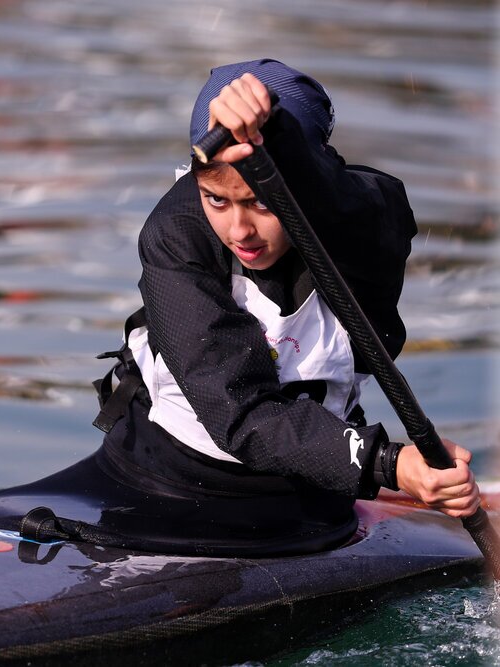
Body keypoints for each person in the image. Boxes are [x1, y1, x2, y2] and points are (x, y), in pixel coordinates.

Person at [95, 58, 479, 524]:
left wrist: (273, 130)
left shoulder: (370, 217)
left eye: (261, 202)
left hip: (319, 498)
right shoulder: (174, 235)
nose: (239, 231)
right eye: (217, 199)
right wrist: (391, 464)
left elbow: (337, 199)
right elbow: (242, 413)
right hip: (167, 480)